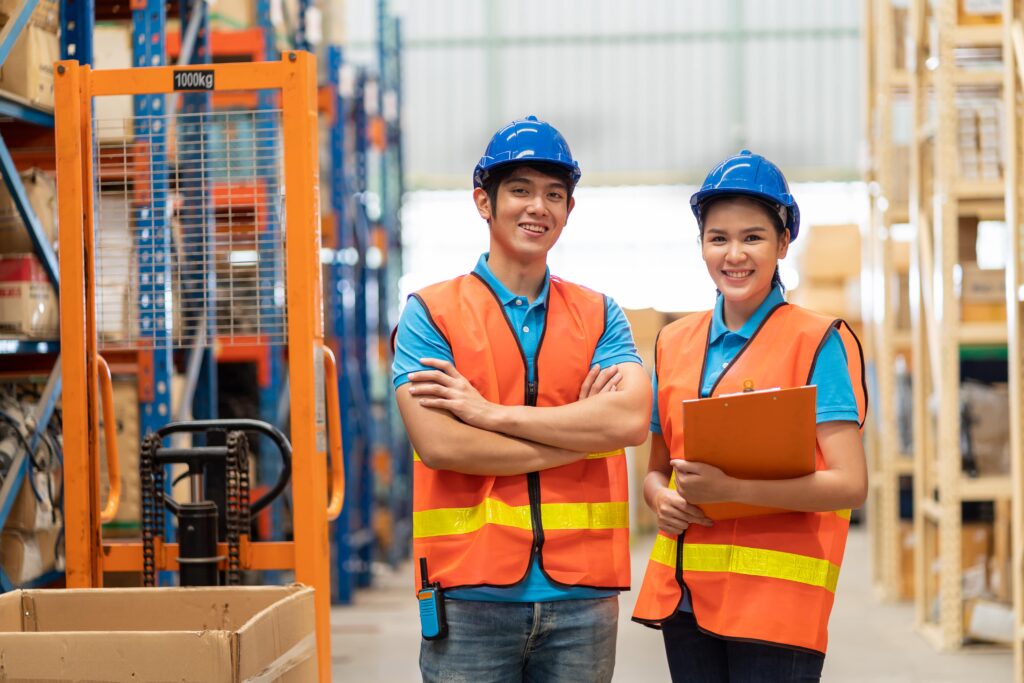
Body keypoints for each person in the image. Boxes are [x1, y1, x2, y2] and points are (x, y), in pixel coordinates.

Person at [392, 115, 651, 683]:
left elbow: (631, 420)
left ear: (569, 210)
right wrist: (581, 436)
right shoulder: (430, 315)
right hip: (469, 596)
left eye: (555, 194)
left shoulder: (600, 313)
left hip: (584, 597)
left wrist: (488, 414)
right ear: (483, 201)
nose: (539, 207)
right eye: (520, 190)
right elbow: (439, 444)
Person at [632, 150, 868, 682]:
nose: (734, 254)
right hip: (685, 596)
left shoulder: (816, 341)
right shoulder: (673, 342)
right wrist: (660, 498)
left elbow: (850, 484)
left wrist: (731, 487)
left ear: (783, 243)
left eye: (753, 237)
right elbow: (656, 469)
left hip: (775, 606)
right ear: (701, 245)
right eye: (718, 238)